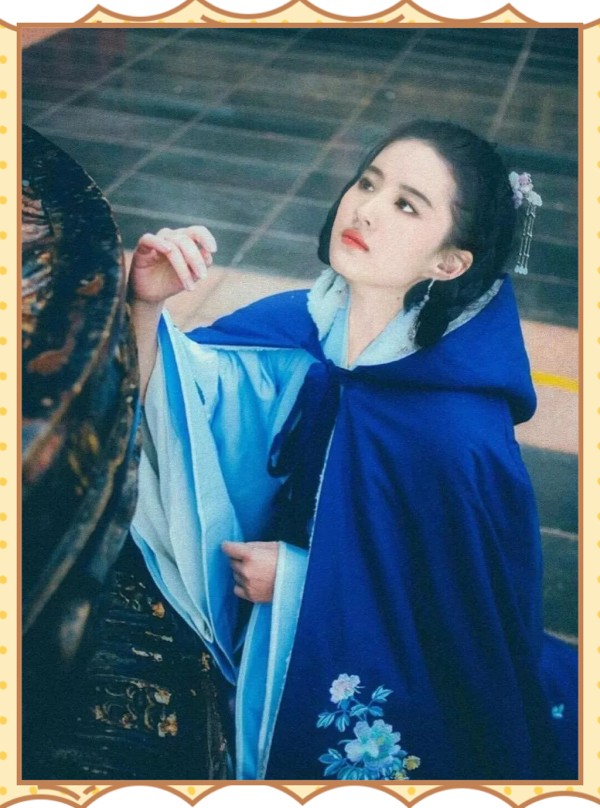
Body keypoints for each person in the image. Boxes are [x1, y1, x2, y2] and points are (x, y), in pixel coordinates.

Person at [128, 120, 577, 781]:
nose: (365, 208)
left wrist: (300, 581)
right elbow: (172, 405)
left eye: (406, 205)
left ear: (449, 263)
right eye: (368, 182)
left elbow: (455, 619)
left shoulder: (455, 434)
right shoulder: (301, 325)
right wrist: (146, 306)